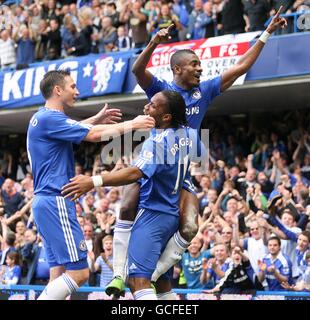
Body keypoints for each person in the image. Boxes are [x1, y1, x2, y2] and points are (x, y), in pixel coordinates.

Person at [103, 6, 288, 298]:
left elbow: (240, 67)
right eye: (194, 64)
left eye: (201, 64)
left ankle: (151, 274)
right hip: (155, 163)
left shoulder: (206, 90)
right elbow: (137, 70)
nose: (200, 68)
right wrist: (153, 43)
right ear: (178, 69)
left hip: (181, 170)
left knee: (190, 226)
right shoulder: (162, 93)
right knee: (126, 206)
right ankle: (117, 275)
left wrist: (266, 33)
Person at [62, 90, 206, 300]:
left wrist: (94, 181)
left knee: (138, 281)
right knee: (163, 286)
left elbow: (135, 173)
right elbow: (197, 158)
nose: (146, 107)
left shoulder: (157, 142)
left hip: (151, 215)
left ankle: (121, 274)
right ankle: (124, 274)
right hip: (171, 215)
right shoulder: (190, 134)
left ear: (166, 117)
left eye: (153, 106)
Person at [26, 69, 155, 300]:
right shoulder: (50, 119)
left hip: (44, 202)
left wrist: (94, 120)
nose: (77, 91)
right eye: (72, 86)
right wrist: (134, 124)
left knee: (58, 272)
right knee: (79, 272)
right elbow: (94, 136)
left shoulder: (42, 117)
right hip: (56, 201)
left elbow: (74, 129)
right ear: (57, 90)